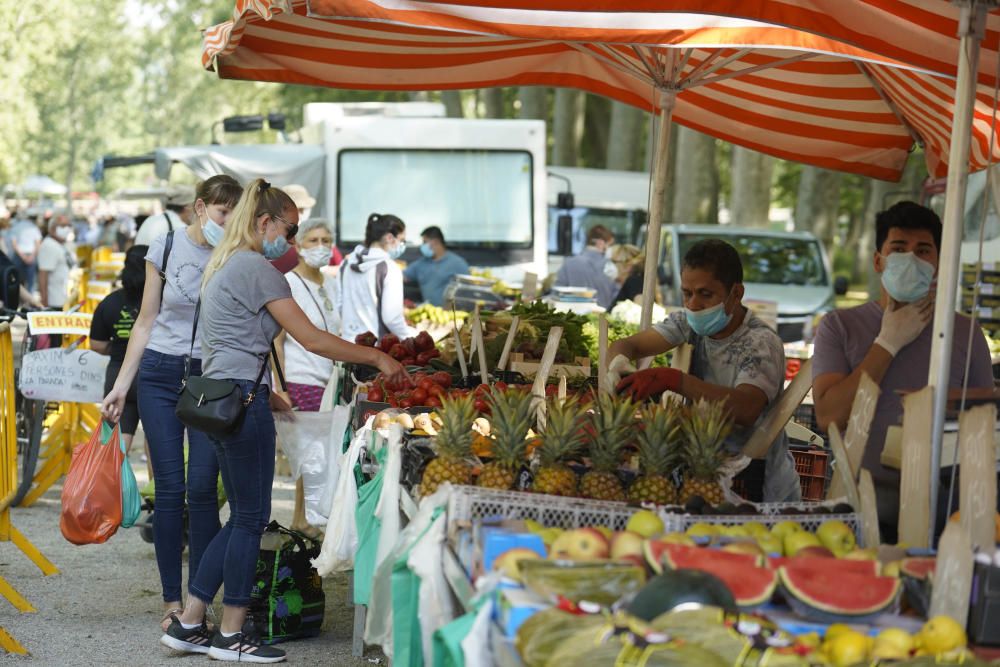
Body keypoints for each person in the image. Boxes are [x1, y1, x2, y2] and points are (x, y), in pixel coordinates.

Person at [162, 179, 409, 663]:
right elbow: (312, 339)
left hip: (223, 397)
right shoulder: (255, 267)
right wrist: (377, 358)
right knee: (251, 519)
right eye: (290, 230)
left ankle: (191, 621)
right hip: (242, 404)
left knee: (240, 519)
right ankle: (232, 634)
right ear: (263, 223)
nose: (293, 242)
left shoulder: (227, 261)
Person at [100, 174, 243, 634]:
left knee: (203, 489)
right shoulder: (163, 247)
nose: (228, 222)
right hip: (160, 373)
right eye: (224, 214)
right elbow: (146, 320)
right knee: (170, 490)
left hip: (209, 377)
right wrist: (122, 385)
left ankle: (198, 603)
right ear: (201, 208)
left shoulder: (236, 253)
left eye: (235, 215)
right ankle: (170, 600)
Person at [811, 201, 994, 539]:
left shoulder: (966, 333)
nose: (911, 258)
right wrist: (887, 344)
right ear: (878, 260)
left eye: (923, 250)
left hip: (944, 505)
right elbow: (829, 417)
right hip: (860, 500)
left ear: (938, 263)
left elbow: (982, 428)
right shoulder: (839, 326)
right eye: (899, 248)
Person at [609, 239, 800, 503]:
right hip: (703, 473)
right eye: (687, 293)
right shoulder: (689, 323)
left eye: (705, 294)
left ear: (736, 293)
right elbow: (629, 344)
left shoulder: (760, 343)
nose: (693, 304)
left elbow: (747, 408)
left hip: (755, 485)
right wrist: (616, 364)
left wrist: (673, 379)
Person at [272, 218, 341, 536]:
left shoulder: (331, 283)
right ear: (298, 246)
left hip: (330, 378)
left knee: (317, 455)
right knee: (311, 456)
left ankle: (304, 520)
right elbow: (278, 340)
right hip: (301, 378)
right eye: (313, 240)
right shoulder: (287, 283)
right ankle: (310, 521)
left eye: (326, 240)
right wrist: (281, 385)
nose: (321, 247)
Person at [89, 244, 147, 453]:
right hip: (150, 375)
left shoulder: (110, 302)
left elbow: (96, 344)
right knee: (156, 441)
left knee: (117, 443)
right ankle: (156, 486)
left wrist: (117, 348)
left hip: (117, 377)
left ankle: (113, 486)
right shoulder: (157, 300)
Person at [338, 213, 417, 342]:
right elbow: (392, 318)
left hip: (348, 344)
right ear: (390, 238)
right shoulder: (389, 268)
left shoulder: (346, 264)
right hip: (375, 349)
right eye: (402, 240)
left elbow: (339, 305)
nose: (403, 245)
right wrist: (410, 339)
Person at [269, 184, 343, 273]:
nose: (301, 213)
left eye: (303, 209)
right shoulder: (273, 242)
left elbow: (339, 265)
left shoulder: (318, 235)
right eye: (296, 209)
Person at [554, 224, 620, 309]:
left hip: (573, 318)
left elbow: (556, 293)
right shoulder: (611, 267)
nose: (610, 249)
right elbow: (616, 298)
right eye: (609, 245)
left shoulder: (569, 263)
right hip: (603, 319)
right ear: (600, 243)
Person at [403, 225, 470, 306]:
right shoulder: (421, 263)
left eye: (425, 242)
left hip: (450, 315)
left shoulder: (458, 264)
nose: (422, 246)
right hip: (427, 312)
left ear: (435, 241)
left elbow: (467, 292)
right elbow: (404, 276)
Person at [37, 215, 76, 309]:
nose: (66, 229)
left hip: (66, 300)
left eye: (68, 226)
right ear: (52, 229)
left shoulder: (62, 244)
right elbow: (43, 275)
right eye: (62, 226)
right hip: (55, 302)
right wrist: (44, 303)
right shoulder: (49, 245)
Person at [8, 212, 42, 293]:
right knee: (31, 281)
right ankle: (30, 301)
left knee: (17, 281)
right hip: (30, 255)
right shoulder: (34, 227)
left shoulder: (15, 227)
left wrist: (22, 256)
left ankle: (19, 300)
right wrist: (32, 256)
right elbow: (38, 243)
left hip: (19, 256)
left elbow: (14, 244)